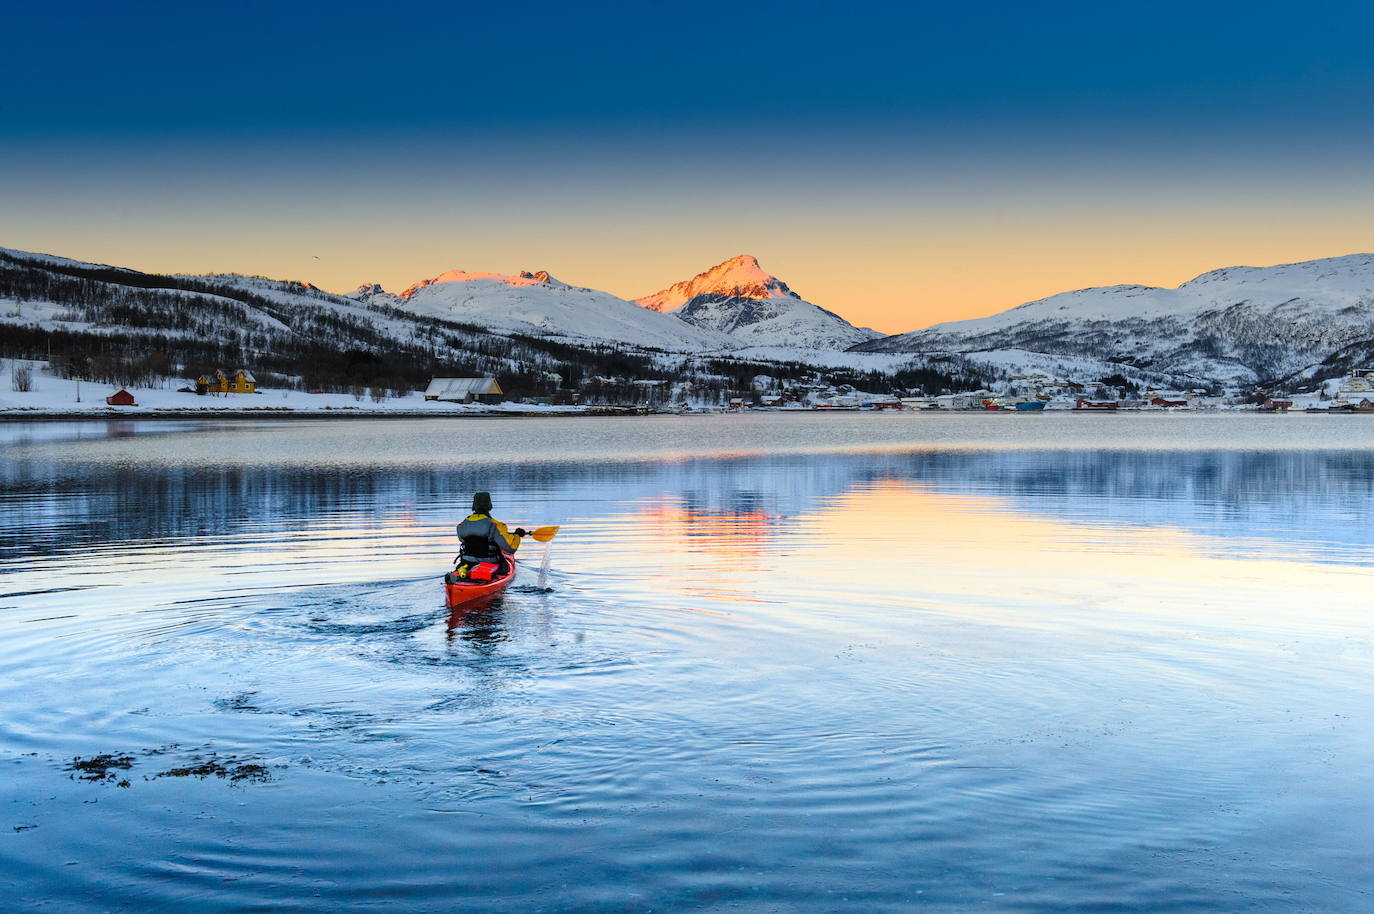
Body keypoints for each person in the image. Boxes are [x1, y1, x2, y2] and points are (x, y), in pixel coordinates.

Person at [454, 492, 526, 575]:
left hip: (467, 563)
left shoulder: (462, 525)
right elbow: (510, 548)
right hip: (491, 564)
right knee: (505, 566)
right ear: (490, 506)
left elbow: (463, 539)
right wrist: (517, 535)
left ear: (473, 506)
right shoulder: (496, 525)